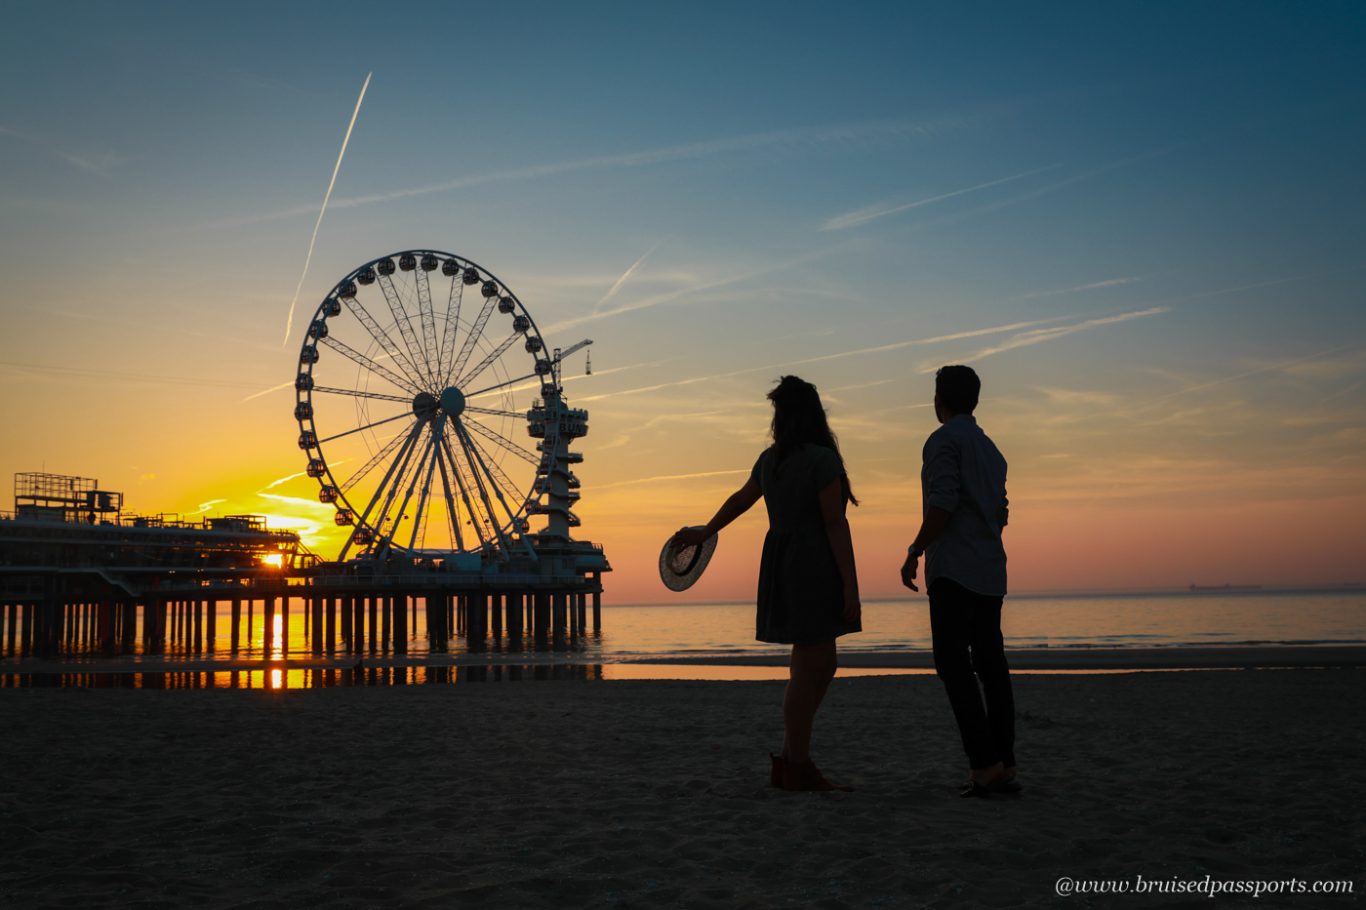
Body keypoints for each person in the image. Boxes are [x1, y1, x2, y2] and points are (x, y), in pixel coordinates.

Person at [673, 375, 861, 791]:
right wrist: (850, 585)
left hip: (781, 561)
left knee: (819, 663)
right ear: (815, 415)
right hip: (815, 562)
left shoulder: (771, 460)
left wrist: (706, 532)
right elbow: (834, 524)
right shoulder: (821, 460)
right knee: (809, 666)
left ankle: (792, 757)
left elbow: (741, 501)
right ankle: (797, 762)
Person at [900, 364, 1018, 797]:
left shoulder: (943, 441)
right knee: (991, 667)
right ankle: (1003, 760)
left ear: (939, 400)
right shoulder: (991, 450)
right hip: (989, 570)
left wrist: (915, 550)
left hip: (953, 570)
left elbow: (942, 504)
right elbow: (1001, 513)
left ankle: (986, 765)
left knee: (954, 666)